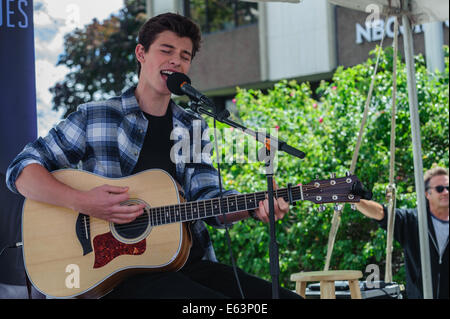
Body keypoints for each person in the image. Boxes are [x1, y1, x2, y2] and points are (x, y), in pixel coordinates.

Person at [5, 12, 301, 299]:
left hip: (187, 265)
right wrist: (83, 202)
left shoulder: (192, 126)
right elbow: (21, 170)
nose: (176, 59)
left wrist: (251, 207)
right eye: (167, 50)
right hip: (116, 276)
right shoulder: (96, 116)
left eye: (185, 56)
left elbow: (207, 198)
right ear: (141, 53)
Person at [355, 166, 449, 299]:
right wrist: (354, 199)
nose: (445, 192)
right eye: (440, 189)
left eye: (448, 188)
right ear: (427, 193)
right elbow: (381, 213)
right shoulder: (413, 221)